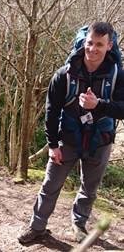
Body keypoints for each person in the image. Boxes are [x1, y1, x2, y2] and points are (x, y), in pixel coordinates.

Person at [18, 22, 124, 244]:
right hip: (67, 139)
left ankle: (79, 224)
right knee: (50, 185)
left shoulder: (117, 76)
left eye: (99, 44)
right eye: (90, 43)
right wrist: (53, 145)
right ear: (84, 42)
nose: (93, 49)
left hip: (100, 142)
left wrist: (100, 105)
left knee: (89, 189)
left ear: (109, 45)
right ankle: (37, 227)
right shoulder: (64, 74)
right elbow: (51, 110)